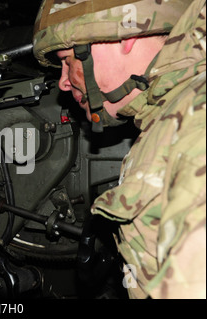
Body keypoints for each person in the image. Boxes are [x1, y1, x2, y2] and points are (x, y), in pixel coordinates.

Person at [33, 0, 206, 298]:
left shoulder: (194, 125)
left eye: (67, 60)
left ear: (123, 39)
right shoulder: (174, 115)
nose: (62, 82)